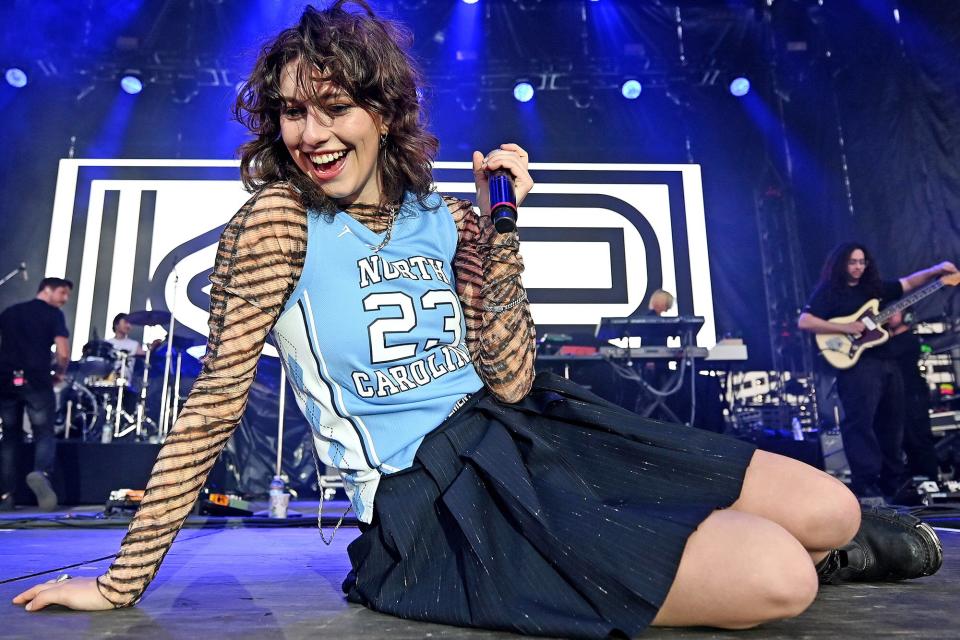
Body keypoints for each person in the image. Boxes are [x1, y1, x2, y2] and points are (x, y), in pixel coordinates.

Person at [12, 3, 942, 634]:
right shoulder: (275, 221)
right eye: (292, 113)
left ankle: (815, 544)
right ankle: (801, 562)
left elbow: (510, 378)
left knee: (826, 505)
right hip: (425, 496)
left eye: (335, 107)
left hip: (521, 429)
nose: (311, 134)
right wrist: (120, 577)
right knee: (779, 578)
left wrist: (500, 228)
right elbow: (215, 399)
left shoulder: (445, 213)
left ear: (384, 112)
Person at [798, 243, 956, 500]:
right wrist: (846, 327)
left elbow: (907, 284)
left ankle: (892, 480)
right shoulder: (830, 291)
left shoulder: (874, 289)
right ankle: (866, 481)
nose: (858, 267)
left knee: (893, 422)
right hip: (858, 366)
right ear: (841, 264)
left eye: (862, 262)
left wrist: (936, 270)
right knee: (861, 422)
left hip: (888, 361)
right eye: (852, 262)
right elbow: (805, 321)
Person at [0, 277, 73, 511]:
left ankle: (6, 495)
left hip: (6, 378)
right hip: (37, 379)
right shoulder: (53, 315)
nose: (65, 299)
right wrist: (60, 373)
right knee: (43, 432)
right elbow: (62, 353)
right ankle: (41, 473)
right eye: (62, 293)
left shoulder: (10, 312)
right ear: (47, 290)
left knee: (10, 436)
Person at [886, 311, 939, 483]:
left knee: (919, 437)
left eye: (894, 313)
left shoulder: (908, 339)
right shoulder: (887, 340)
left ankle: (930, 479)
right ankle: (914, 479)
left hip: (913, 394)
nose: (889, 316)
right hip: (899, 396)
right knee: (905, 439)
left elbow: (892, 353)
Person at [106, 313, 145, 384]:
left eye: (130, 323)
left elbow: (146, 358)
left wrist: (153, 347)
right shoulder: (107, 343)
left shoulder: (134, 344)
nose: (129, 326)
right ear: (116, 324)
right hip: (108, 382)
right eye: (126, 322)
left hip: (125, 384)